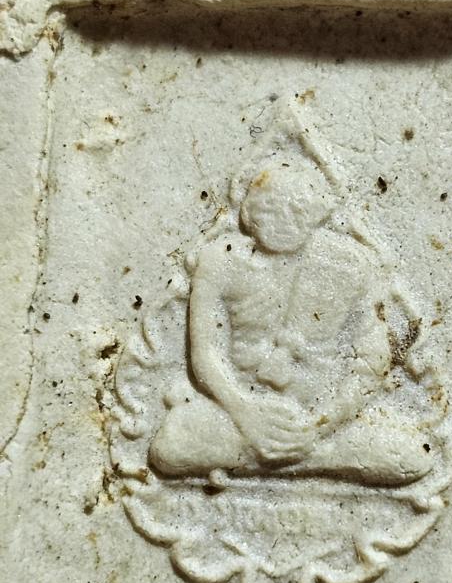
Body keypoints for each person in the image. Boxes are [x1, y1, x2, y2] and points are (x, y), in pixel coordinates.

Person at [149, 163, 433, 485]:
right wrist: (245, 412)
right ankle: (309, 460)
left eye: (297, 211)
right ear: (248, 211)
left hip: (321, 419)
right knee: (171, 447)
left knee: (410, 452)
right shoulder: (221, 261)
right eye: (270, 208)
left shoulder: (350, 264)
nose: (283, 221)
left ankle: (275, 457)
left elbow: (371, 363)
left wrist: (319, 426)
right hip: (236, 412)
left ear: (317, 216)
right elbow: (205, 354)